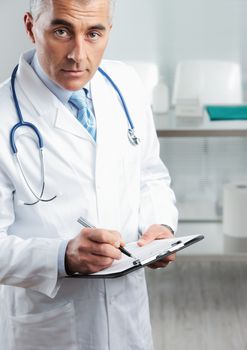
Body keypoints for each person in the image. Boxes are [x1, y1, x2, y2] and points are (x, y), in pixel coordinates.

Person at [0, 0, 178, 349]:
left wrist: (160, 227)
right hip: (49, 326)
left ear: (109, 31)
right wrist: (62, 257)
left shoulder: (125, 83)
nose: (78, 54)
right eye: (62, 31)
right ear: (30, 26)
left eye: (93, 33)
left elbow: (150, 175)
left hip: (127, 312)